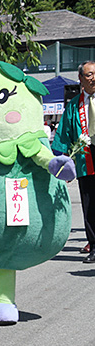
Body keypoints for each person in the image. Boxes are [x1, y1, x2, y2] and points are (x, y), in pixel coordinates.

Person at [52, 60, 95, 263]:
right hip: (86, 158)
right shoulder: (73, 105)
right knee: (89, 204)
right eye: (89, 75)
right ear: (80, 78)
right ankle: (94, 245)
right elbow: (64, 134)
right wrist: (62, 163)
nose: (93, 78)